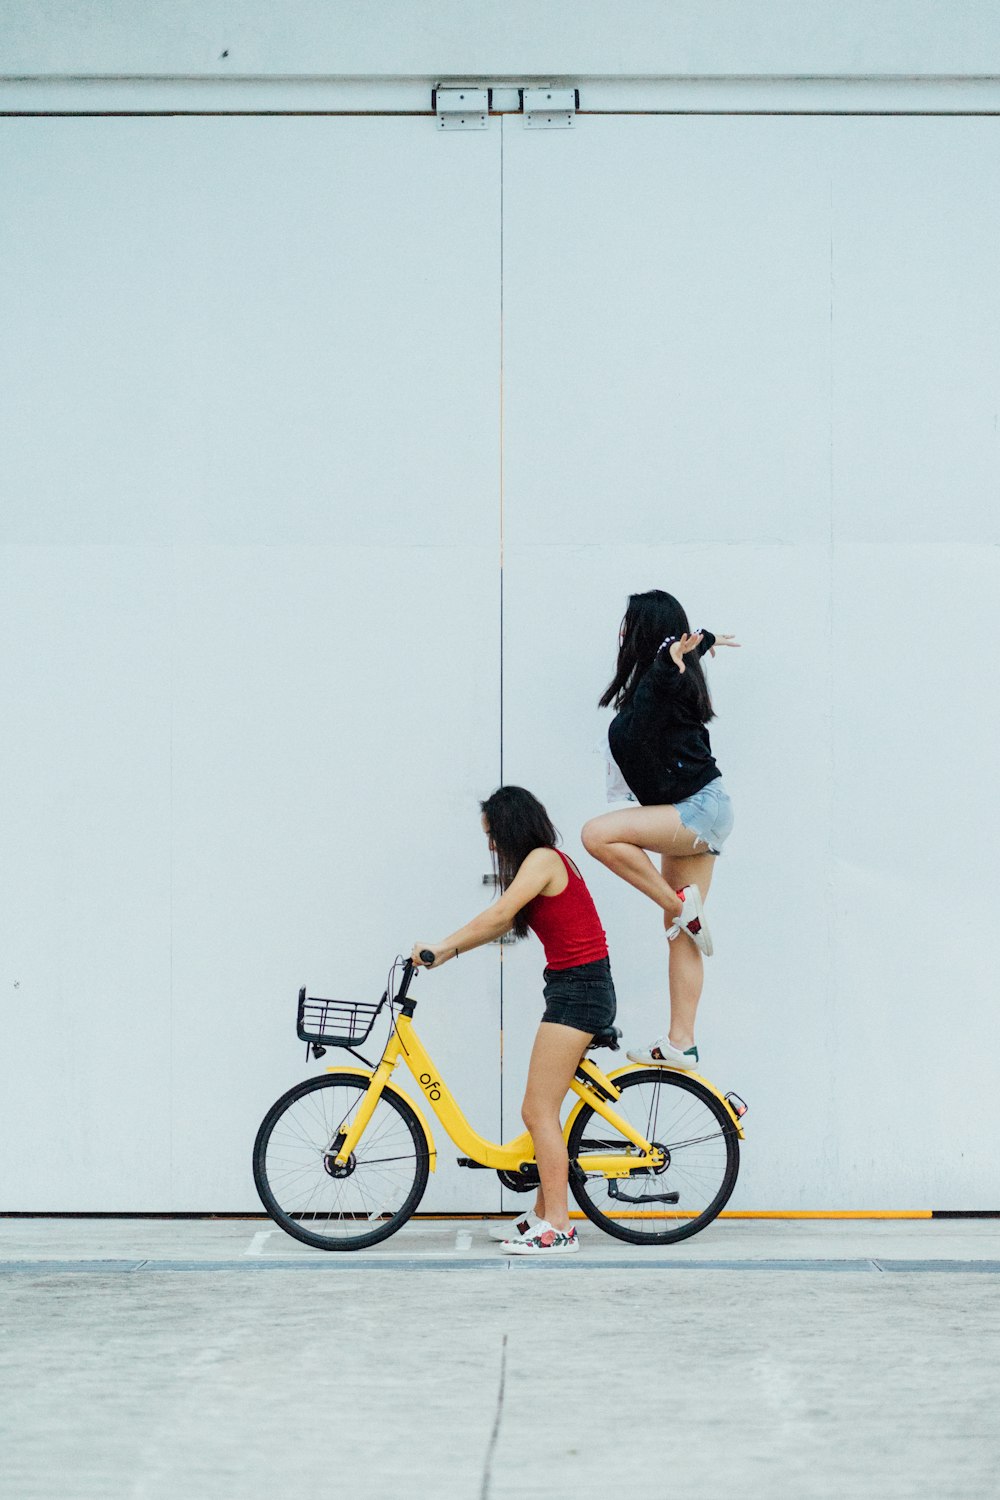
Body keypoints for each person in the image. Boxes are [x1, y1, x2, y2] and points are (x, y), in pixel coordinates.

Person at [411, 785, 616, 1257]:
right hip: (574, 988)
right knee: (544, 1109)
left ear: (511, 826)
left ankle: (559, 1227)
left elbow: (501, 912)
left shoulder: (544, 859)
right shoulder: (542, 863)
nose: (490, 844)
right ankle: (544, 1214)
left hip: (579, 993)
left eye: (492, 834)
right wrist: (449, 953)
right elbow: (504, 923)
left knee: (536, 1110)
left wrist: (441, 947)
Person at [581, 589, 739, 1072]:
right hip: (696, 808)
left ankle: (678, 907)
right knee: (681, 934)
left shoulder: (666, 677)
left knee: (596, 835)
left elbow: (665, 672)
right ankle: (681, 1042)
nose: (622, 631)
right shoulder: (662, 681)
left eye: (628, 623)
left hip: (696, 809)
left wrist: (675, 655)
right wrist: (695, 644)